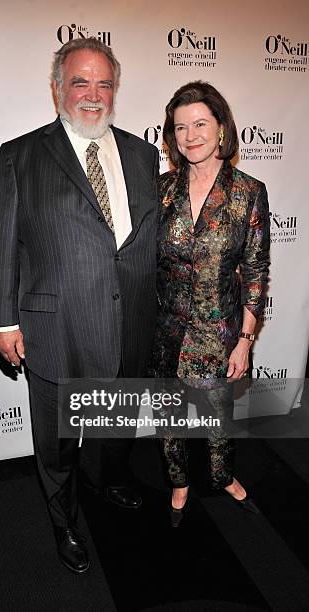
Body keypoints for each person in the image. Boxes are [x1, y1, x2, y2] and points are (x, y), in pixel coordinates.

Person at [0, 37, 159, 572]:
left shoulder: (143, 153)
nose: (93, 94)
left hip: (129, 320)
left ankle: (108, 481)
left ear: (116, 90)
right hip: (54, 326)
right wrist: (3, 320)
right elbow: (2, 246)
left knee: (116, 426)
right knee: (58, 442)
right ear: (57, 88)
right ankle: (63, 518)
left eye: (104, 83)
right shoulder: (20, 155)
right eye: (80, 81)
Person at [149, 81, 270, 527]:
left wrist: (244, 341)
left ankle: (223, 477)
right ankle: (178, 481)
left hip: (219, 332)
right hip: (164, 328)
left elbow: (256, 272)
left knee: (219, 417)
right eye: (180, 127)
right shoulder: (160, 189)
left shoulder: (247, 192)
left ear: (222, 128)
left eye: (200, 123)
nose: (190, 135)